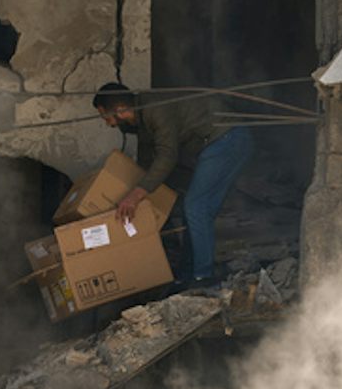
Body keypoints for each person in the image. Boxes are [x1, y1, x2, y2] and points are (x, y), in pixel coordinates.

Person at [91, 82, 254, 290]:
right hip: (223, 142)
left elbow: (167, 155)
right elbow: (150, 160)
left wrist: (136, 195)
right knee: (197, 210)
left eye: (107, 117)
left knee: (195, 206)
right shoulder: (142, 119)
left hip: (227, 140)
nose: (108, 124)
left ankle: (203, 277)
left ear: (121, 110)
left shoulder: (155, 109)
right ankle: (188, 273)